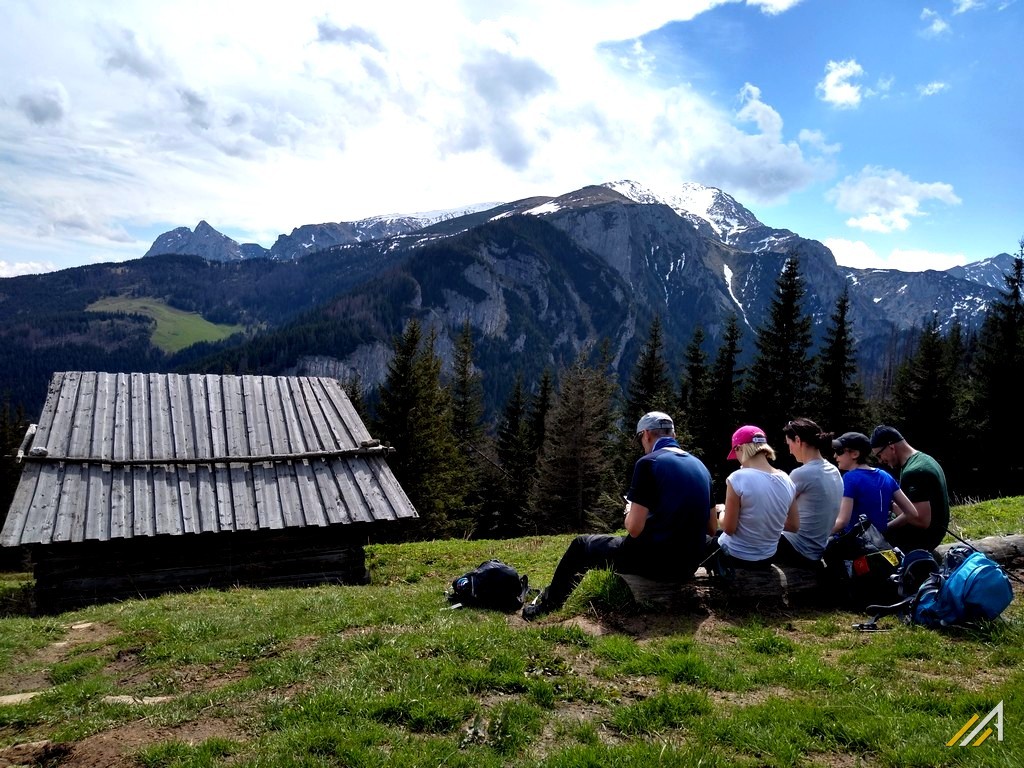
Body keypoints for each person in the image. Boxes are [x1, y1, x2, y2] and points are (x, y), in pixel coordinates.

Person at [522, 411, 712, 620]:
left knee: (581, 545)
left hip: (655, 563)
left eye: (640, 438)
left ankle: (549, 606)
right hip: (688, 562)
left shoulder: (648, 463)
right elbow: (711, 528)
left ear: (646, 434)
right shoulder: (701, 466)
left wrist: (629, 510)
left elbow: (634, 528)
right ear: (672, 434)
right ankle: (549, 592)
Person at [708, 425, 797, 571]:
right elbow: (794, 525)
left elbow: (728, 528)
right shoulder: (786, 479)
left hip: (736, 556)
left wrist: (723, 512)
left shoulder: (738, 478)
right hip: (768, 557)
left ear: (739, 448)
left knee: (704, 540)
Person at [774, 418, 843, 569]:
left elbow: (776, 511)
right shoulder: (833, 471)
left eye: (789, 444)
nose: (790, 450)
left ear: (798, 440)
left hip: (796, 549)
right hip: (816, 551)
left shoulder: (802, 473)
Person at [870, 425, 950, 552]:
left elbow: (921, 520)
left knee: (870, 542)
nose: (880, 461)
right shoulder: (923, 459)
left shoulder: (914, 472)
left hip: (923, 539)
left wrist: (884, 529)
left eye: (879, 455)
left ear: (891, 447)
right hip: (934, 532)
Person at [830, 431, 917, 535]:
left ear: (855, 454)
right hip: (878, 545)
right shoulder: (885, 476)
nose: (835, 456)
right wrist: (884, 529)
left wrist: (817, 536)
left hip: (854, 545)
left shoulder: (849, 478)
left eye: (839, 452)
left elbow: (842, 522)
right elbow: (912, 513)